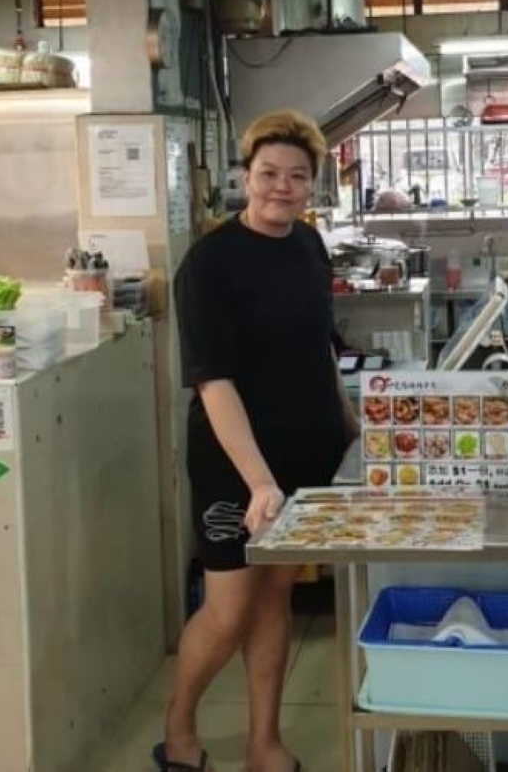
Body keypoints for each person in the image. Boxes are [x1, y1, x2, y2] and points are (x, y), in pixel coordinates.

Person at [156, 110, 359, 772]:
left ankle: (262, 742)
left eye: (297, 176)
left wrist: (347, 415)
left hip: (307, 449)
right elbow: (212, 380)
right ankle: (179, 728)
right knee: (229, 608)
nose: (282, 186)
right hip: (235, 464)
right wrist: (259, 480)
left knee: (276, 594)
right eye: (269, 173)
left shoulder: (308, 244)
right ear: (245, 177)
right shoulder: (209, 264)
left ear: (312, 185)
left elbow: (318, 344)